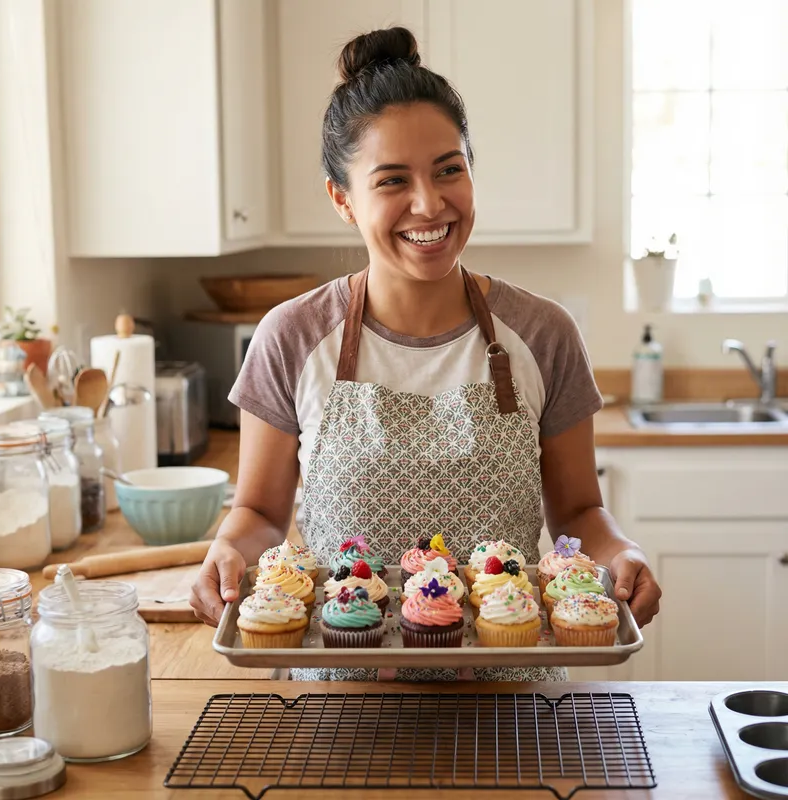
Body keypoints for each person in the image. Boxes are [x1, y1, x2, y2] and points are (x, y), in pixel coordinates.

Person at [189, 26, 662, 681]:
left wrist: (622, 554)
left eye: (449, 169)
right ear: (342, 200)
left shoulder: (543, 332)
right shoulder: (292, 337)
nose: (429, 204)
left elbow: (580, 511)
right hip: (342, 705)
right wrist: (228, 551)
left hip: (508, 703)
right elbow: (261, 514)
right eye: (392, 181)